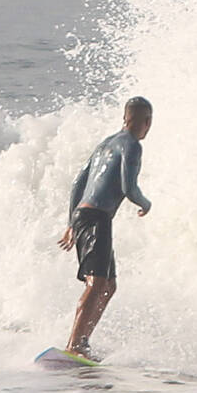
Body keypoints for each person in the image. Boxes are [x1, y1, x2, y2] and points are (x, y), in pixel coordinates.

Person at [58, 96, 153, 360]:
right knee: (96, 282)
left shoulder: (105, 144)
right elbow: (128, 187)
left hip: (84, 215)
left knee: (109, 285)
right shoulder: (132, 145)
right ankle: (74, 345)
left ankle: (83, 342)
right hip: (96, 217)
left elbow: (78, 183)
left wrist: (71, 222)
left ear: (125, 117)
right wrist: (146, 203)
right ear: (147, 121)